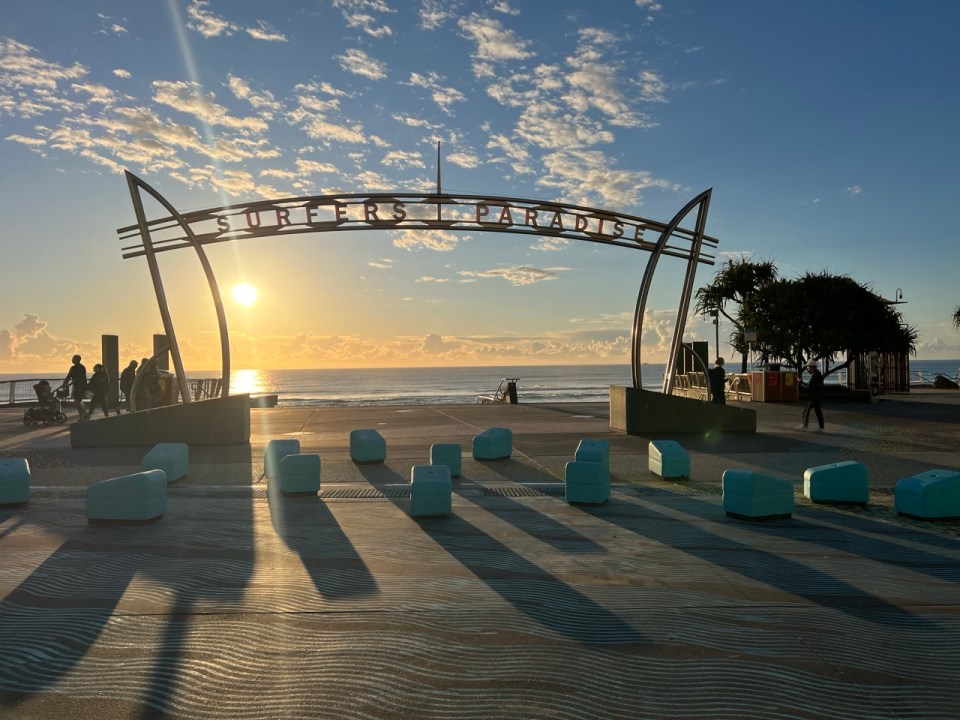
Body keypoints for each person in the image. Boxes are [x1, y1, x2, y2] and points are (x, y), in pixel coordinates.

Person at [800, 361, 825, 431]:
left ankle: (805, 426)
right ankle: (821, 427)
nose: (807, 368)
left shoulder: (814, 375)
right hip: (817, 396)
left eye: (808, 367)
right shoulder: (818, 373)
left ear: (812, 367)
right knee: (818, 412)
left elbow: (809, 386)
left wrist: (801, 383)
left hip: (813, 397)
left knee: (806, 411)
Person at [62, 354, 88, 420]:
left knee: (77, 401)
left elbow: (69, 376)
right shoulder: (82, 367)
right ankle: (84, 413)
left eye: (73, 359)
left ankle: (82, 415)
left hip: (78, 387)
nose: (72, 360)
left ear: (76, 360)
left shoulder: (73, 368)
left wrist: (65, 383)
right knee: (78, 401)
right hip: (82, 386)